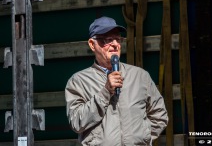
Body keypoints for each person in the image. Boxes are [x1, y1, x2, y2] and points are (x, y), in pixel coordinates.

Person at [65, 16, 168, 146]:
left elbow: (159, 115)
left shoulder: (140, 76)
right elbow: (76, 122)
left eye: (118, 39)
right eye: (108, 39)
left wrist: (143, 137)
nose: (115, 44)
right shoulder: (78, 81)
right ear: (92, 44)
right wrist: (105, 92)